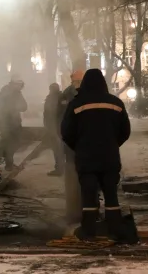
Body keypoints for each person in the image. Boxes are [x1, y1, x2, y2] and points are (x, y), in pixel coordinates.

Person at [60, 68, 132, 242]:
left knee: (89, 194)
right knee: (111, 193)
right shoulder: (115, 103)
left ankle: (89, 230)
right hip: (110, 158)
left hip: (86, 159)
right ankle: (115, 228)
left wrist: (78, 147)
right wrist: (113, 144)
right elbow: (125, 131)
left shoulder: (76, 105)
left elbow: (66, 132)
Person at [59, 69, 84, 226]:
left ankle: (80, 211)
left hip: (78, 144)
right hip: (74, 145)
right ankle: (74, 212)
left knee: (81, 179)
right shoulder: (68, 95)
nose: (78, 84)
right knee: (73, 178)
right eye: (76, 81)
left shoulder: (74, 95)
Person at [0, 74, 27, 170]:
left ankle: (9, 162)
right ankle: (8, 164)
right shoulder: (5, 93)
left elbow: (24, 106)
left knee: (14, 143)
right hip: (7, 124)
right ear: (14, 84)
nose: (20, 88)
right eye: (19, 85)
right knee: (9, 143)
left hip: (14, 123)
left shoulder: (17, 93)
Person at [43, 83, 63, 176]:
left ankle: (59, 169)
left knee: (57, 149)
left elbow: (48, 113)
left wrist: (47, 126)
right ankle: (62, 168)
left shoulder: (51, 99)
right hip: (59, 127)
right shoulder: (62, 97)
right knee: (61, 149)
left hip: (55, 128)